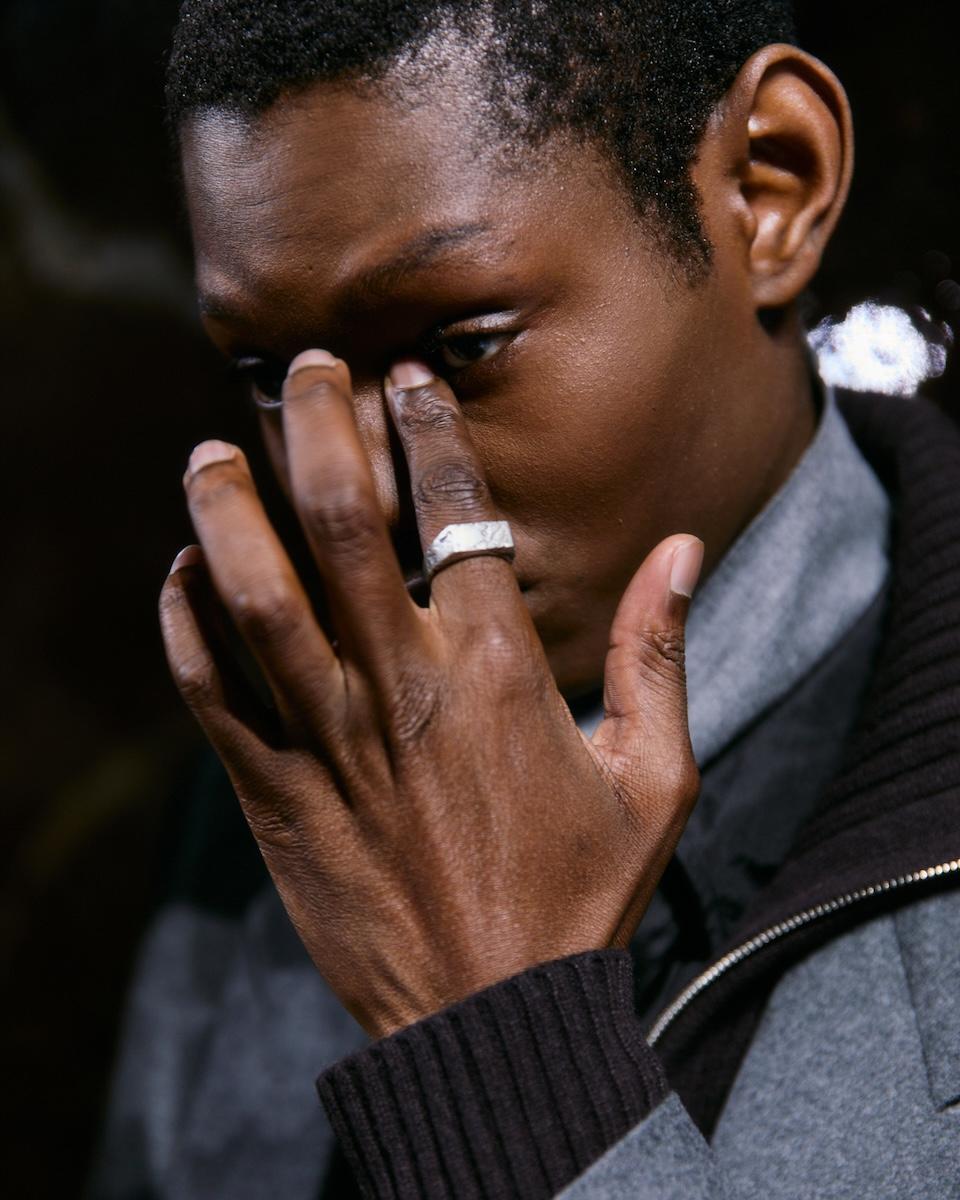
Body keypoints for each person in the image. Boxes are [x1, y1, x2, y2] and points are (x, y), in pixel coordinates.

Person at [91, 2, 960, 1197]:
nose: (357, 493)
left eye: (460, 347)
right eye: (269, 375)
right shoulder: (294, 774)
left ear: (772, 185)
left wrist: (502, 1053)